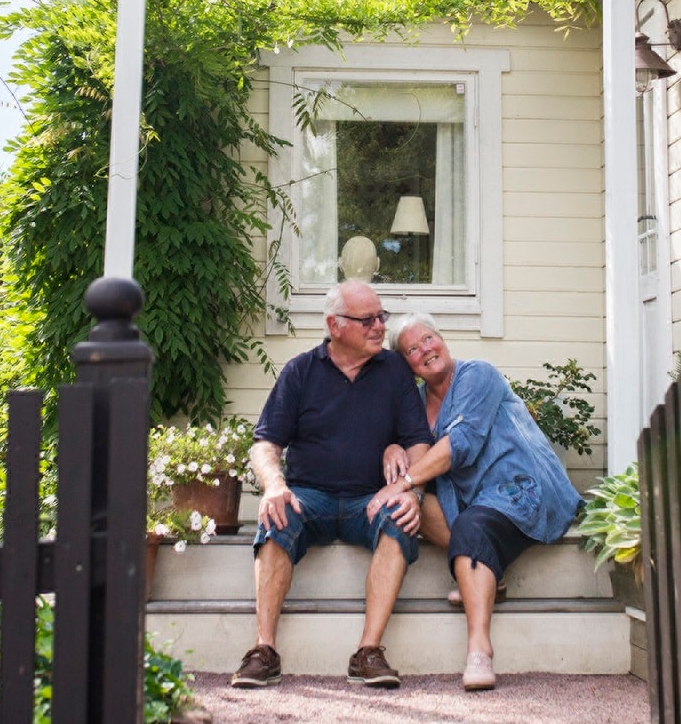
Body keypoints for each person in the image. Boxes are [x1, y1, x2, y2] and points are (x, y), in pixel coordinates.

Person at [229, 279, 434, 690]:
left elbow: (417, 442)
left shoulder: (394, 370)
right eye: (368, 320)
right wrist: (273, 485)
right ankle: (263, 650)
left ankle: (368, 652)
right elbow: (265, 444)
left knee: (402, 516)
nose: (379, 326)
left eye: (381, 317)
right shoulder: (301, 371)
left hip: (370, 499)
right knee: (276, 513)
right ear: (335, 325)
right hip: (310, 496)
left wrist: (412, 491)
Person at [369, 313, 584, 692]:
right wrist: (391, 447)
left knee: (470, 525)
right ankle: (488, 573)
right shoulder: (416, 402)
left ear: (442, 339)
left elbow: (461, 442)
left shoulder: (477, 375)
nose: (425, 350)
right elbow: (409, 442)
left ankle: (479, 650)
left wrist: (404, 481)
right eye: (413, 349)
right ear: (407, 365)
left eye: (429, 338)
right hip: (473, 503)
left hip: (521, 486)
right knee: (412, 507)